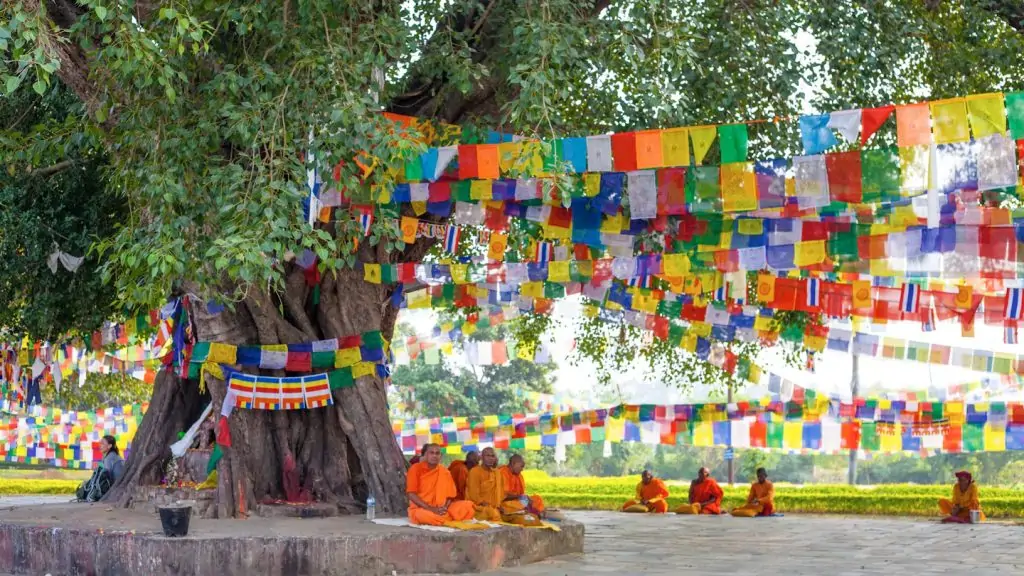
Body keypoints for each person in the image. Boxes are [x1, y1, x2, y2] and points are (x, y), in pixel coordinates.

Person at [406, 443, 475, 526]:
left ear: (440, 456)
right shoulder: (415, 469)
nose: (434, 456)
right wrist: (431, 509)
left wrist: (444, 508)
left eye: (437, 453)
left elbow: (450, 496)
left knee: (467, 506)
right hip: (422, 508)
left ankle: (443, 517)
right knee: (422, 515)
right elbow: (411, 494)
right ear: (426, 455)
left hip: (441, 508)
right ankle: (446, 518)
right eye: (431, 453)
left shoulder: (445, 472)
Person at [76, 435, 124, 502]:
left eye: (102, 443)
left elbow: (105, 478)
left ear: (109, 446)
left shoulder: (110, 457)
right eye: (100, 443)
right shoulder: (113, 455)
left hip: (116, 487)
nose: (100, 445)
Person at [466, 447, 504, 522]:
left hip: (493, 509)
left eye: (492, 456)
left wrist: (499, 505)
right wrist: (485, 505)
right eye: (487, 456)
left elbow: (500, 492)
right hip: (478, 509)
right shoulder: (475, 471)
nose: (490, 458)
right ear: (482, 457)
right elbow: (473, 495)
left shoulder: (497, 473)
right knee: (494, 515)